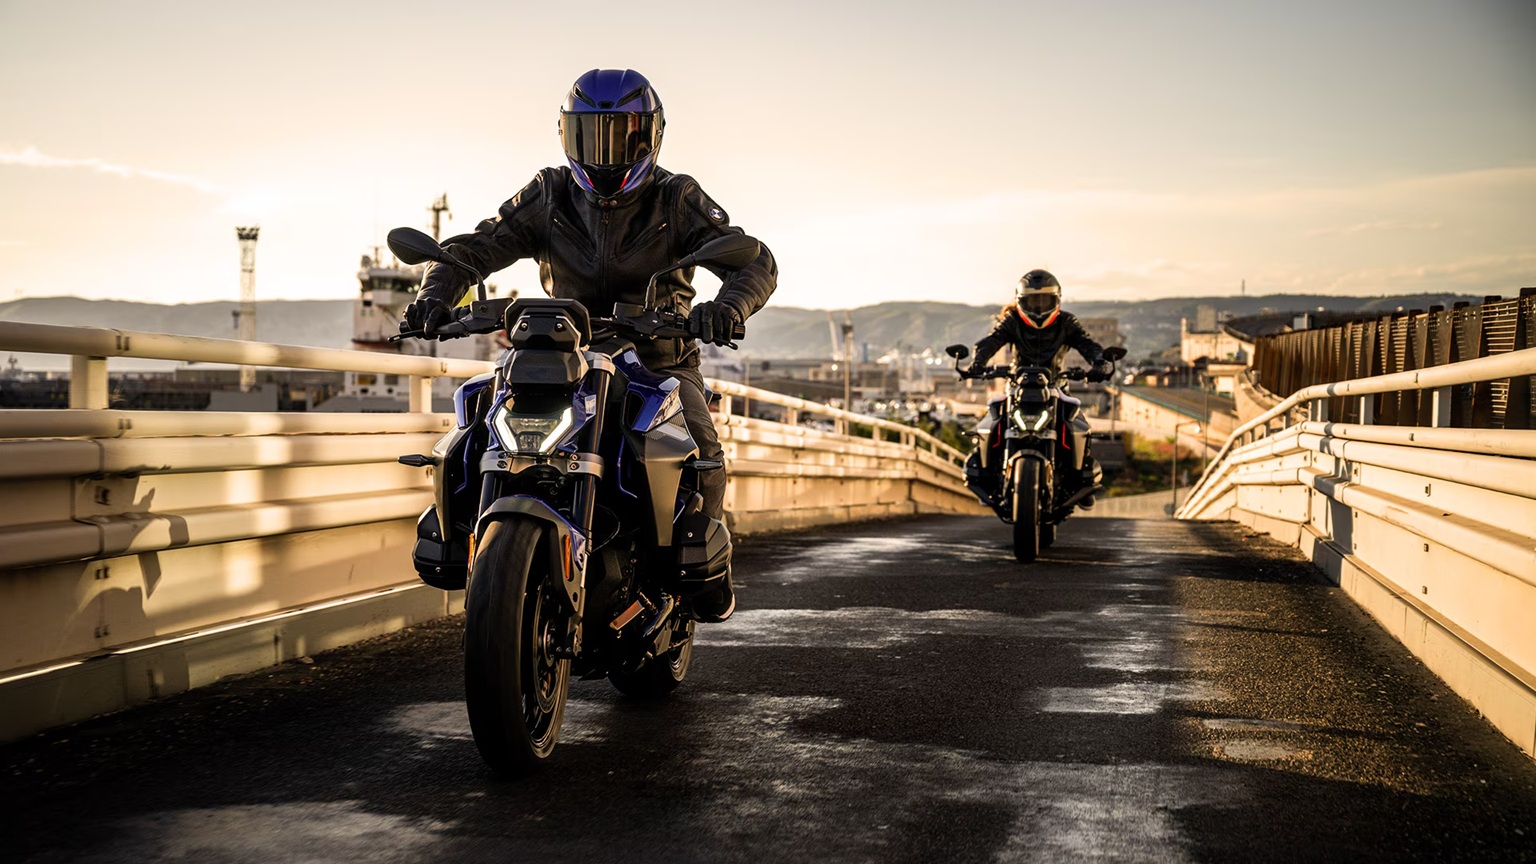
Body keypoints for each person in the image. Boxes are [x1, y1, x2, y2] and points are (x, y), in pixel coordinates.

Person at [401, 69, 777, 621]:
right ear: (567, 134)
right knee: (475, 415)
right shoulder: (549, 192)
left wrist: (727, 308)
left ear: (650, 135)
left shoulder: (676, 197)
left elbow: (754, 261)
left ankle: (705, 572)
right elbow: (475, 247)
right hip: (562, 355)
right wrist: (434, 296)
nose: (605, 151)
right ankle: (456, 537)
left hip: (657, 358)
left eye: (622, 134)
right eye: (590, 134)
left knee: (699, 444)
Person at [965, 269, 1111, 507]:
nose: (1039, 307)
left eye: (1044, 300)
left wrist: (1099, 363)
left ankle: (1081, 480)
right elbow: (991, 341)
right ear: (1020, 301)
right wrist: (978, 363)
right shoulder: (1012, 321)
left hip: (1056, 386)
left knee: (1079, 426)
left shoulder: (1066, 322)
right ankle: (984, 474)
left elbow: (1087, 344)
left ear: (1056, 300)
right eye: (1033, 301)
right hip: (1019, 386)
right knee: (993, 419)